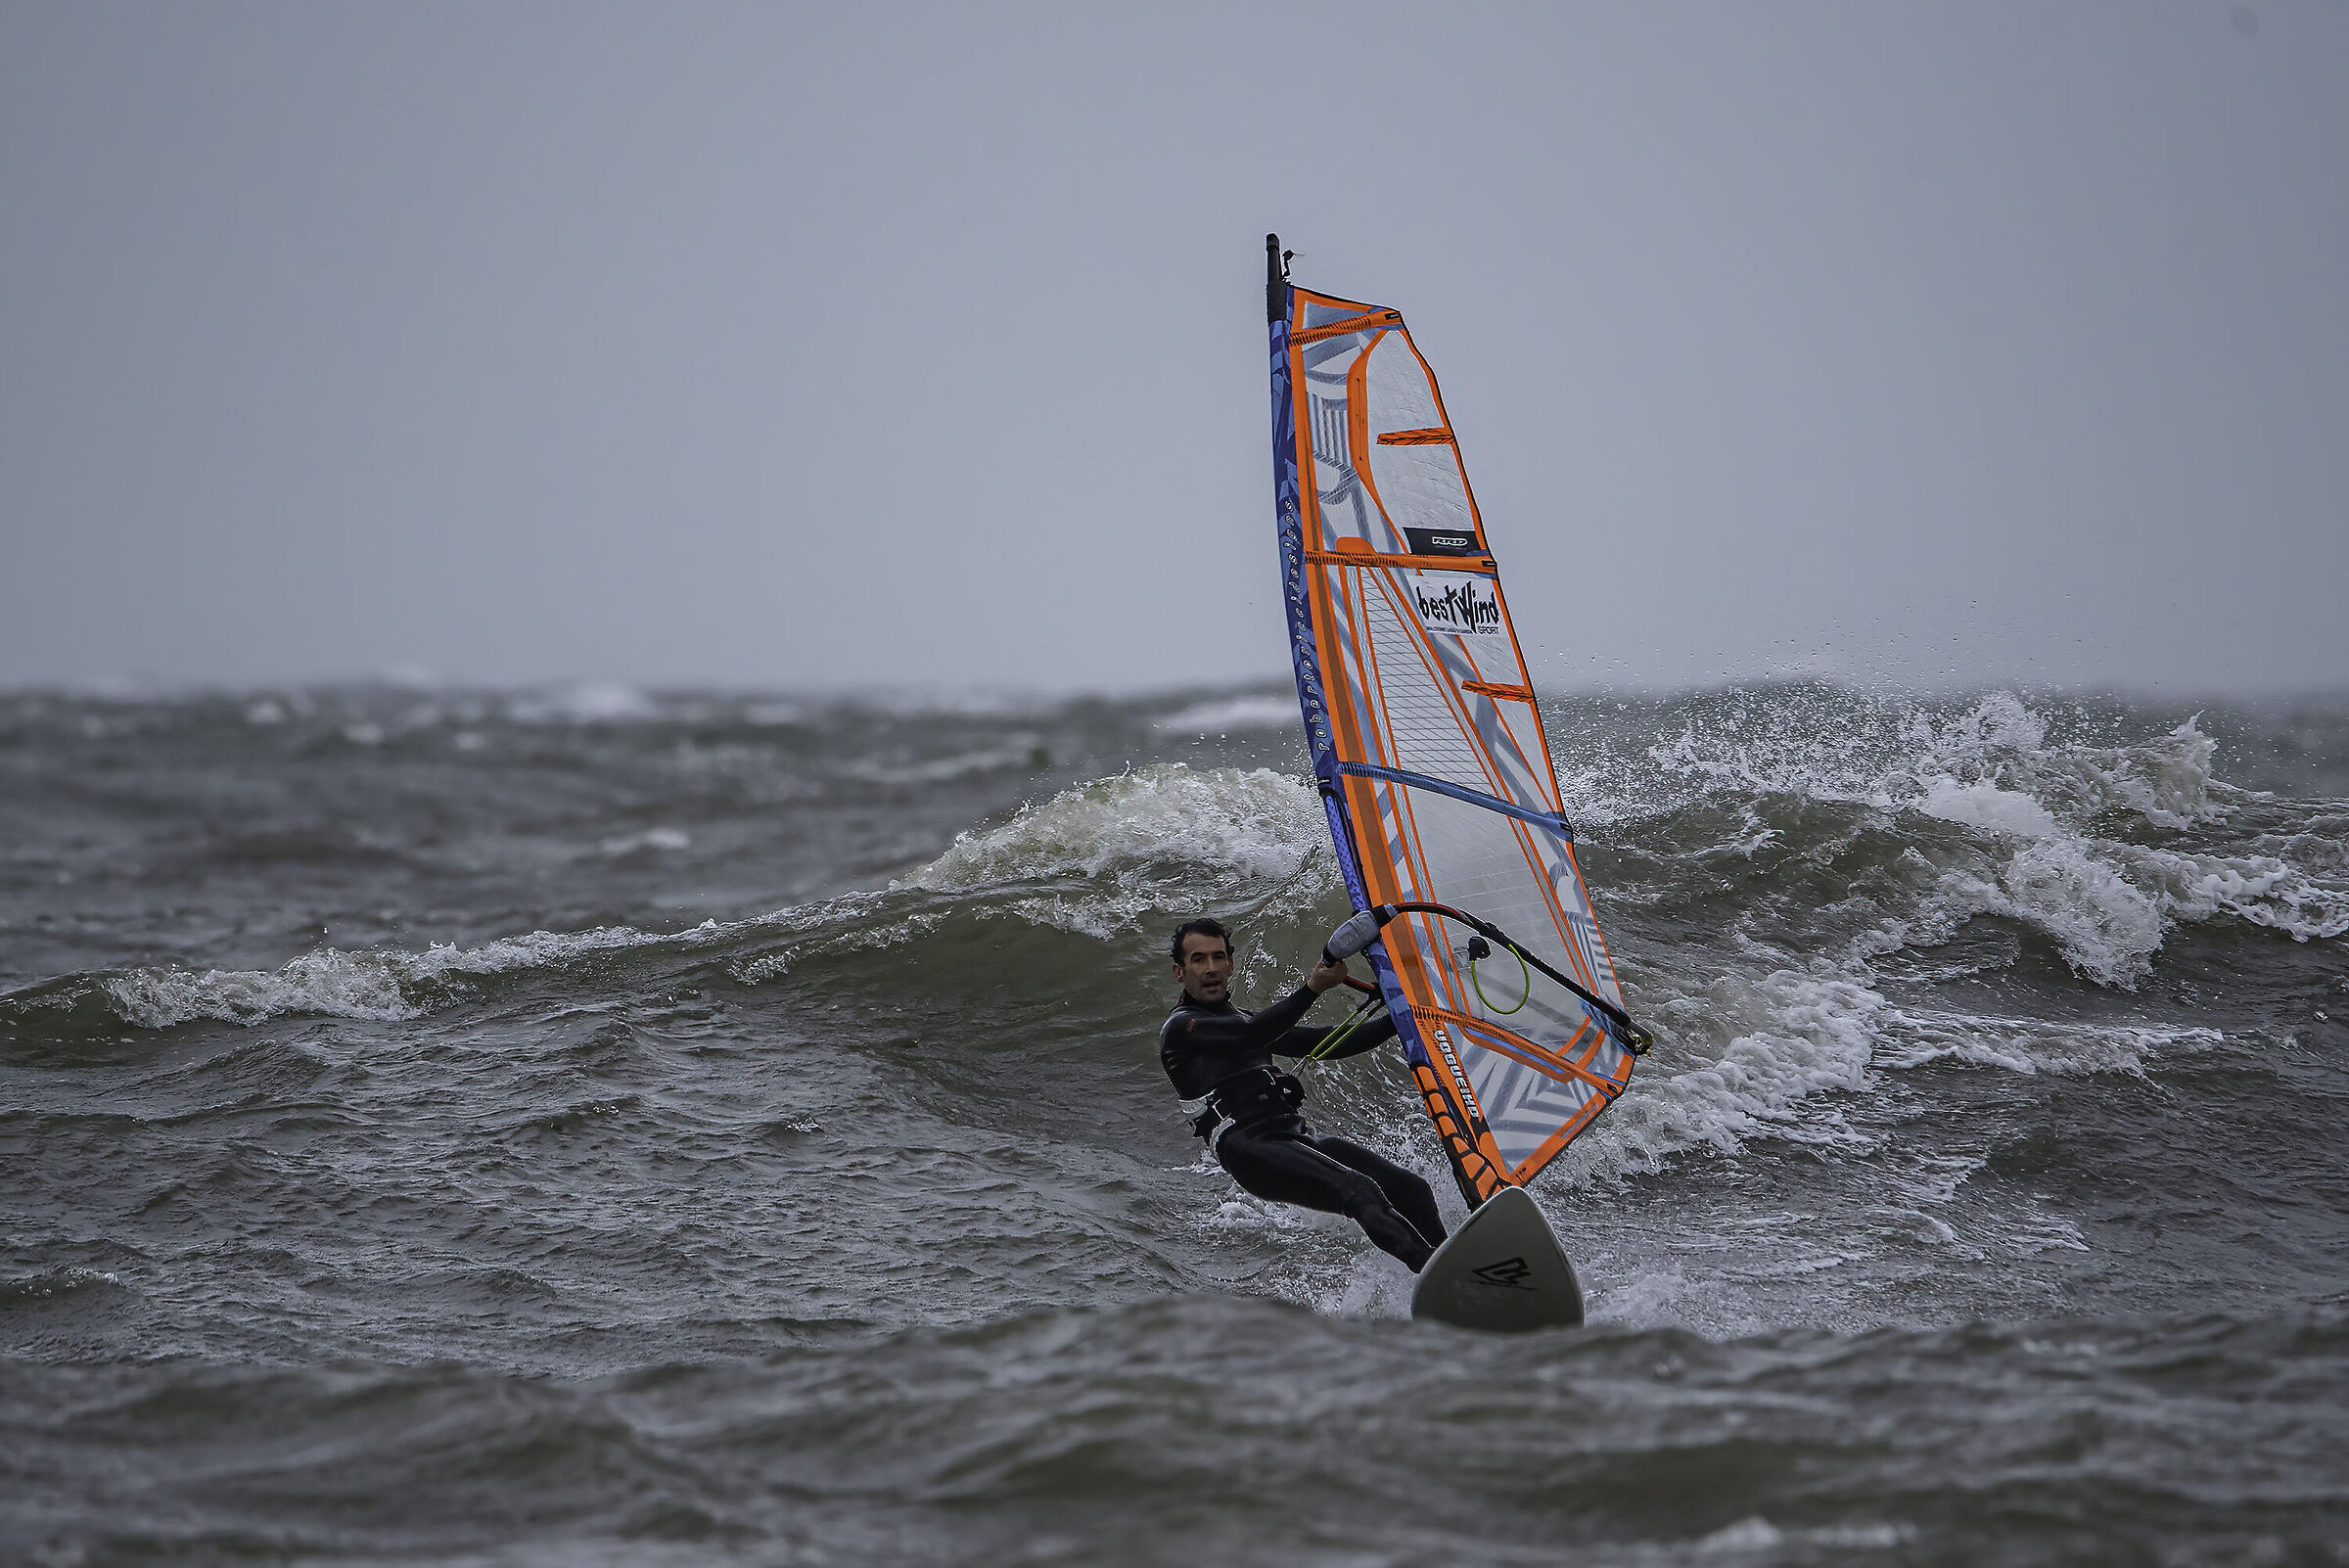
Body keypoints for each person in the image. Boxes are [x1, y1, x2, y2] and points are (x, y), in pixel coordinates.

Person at [1160, 916, 1448, 1271]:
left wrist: (1403, 1018)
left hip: (1292, 1135)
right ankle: (1440, 1272)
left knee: (1410, 1189)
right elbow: (1253, 1034)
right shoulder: (1182, 1027)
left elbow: (1326, 1042)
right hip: (1248, 1147)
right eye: (1199, 959)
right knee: (1359, 1191)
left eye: (1218, 957)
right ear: (1180, 972)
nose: (1211, 968)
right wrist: (1313, 988)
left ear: (1230, 965)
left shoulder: (1241, 1020)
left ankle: (1457, 1262)